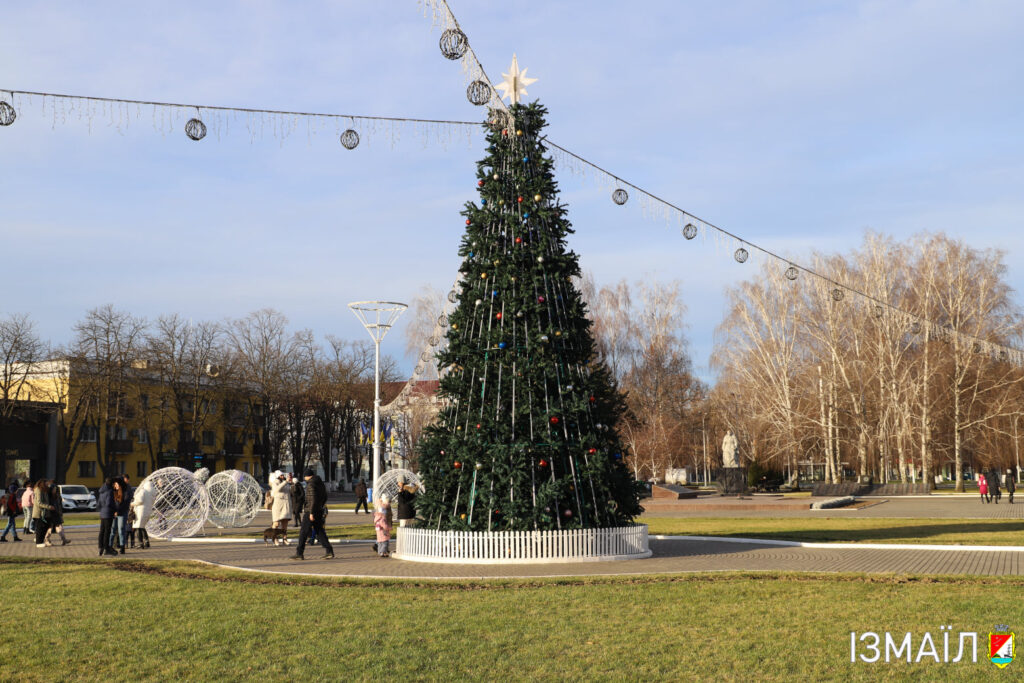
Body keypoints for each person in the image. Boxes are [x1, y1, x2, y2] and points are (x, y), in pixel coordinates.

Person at [291, 468, 333, 561]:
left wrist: (311, 513)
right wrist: (320, 507)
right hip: (319, 510)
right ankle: (329, 551)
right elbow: (325, 497)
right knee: (319, 531)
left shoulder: (311, 484)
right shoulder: (320, 483)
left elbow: (312, 499)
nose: (304, 479)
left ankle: (299, 553)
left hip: (310, 511)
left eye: (305, 477)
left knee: (303, 532)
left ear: (307, 476)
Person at [270, 471, 293, 545]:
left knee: (285, 524)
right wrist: (285, 482)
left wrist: (292, 484)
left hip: (286, 506)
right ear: (278, 476)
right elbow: (277, 489)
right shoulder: (275, 482)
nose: (283, 476)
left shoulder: (285, 483)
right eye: (282, 475)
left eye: (283, 475)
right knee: (276, 523)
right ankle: (275, 538)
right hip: (278, 506)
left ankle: (285, 539)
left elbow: (290, 492)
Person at [97, 478, 118, 556]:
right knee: (107, 531)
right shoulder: (110, 492)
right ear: (111, 484)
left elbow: (98, 503)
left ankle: (100, 546)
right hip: (108, 513)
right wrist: (115, 508)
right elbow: (110, 503)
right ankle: (106, 547)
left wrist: (102, 509)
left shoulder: (101, 491)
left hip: (102, 513)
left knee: (102, 530)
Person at [130, 481, 154, 549]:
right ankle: (146, 542)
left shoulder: (143, 491)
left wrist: (132, 504)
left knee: (138, 527)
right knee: (142, 527)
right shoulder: (152, 493)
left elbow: (139, 500)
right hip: (147, 512)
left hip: (140, 512)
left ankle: (140, 543)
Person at [44, 481, 68, 546]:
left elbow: (59, 505)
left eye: (55, 489)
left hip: (57, 514)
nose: (55, 490)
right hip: (50, 514)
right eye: (54, 489)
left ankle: (64, 539)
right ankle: (46, 539)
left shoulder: (57, 496)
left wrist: (60, 513)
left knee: (60, 527)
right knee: (50, 528)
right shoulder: (48, 497)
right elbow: (47, 506)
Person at [109, 478, 130, 553]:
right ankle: (110, 546)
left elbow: (125, 503)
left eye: (117, 484)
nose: (116, 485)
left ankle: (122, 547)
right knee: (112, 530)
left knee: (121, 530)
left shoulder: (125, 492)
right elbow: (110, 503)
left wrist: (118, 511)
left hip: (122, 513)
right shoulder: (112, 492)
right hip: (114, 514)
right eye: (115, 484)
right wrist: (113, 511)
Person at [33, 479, 55, 547]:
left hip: (45, 513)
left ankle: (40, 540)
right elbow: (39, 503)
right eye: (46, 483)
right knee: (40, 528)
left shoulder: (45, 490)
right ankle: (38, 543)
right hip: (39, 513)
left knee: (46, 526)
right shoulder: (38, 490)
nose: (47, 484)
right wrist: (49, 507)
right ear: (42, 484)